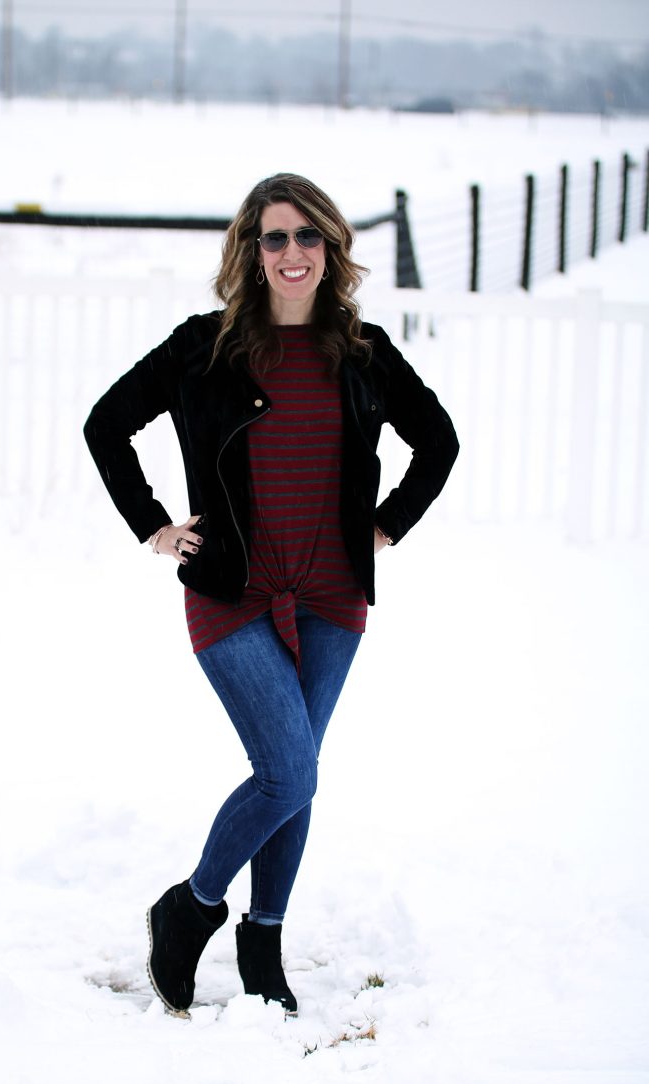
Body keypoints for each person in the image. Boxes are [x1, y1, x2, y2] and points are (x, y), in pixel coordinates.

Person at [83, 172, 458, 1018]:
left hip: (332, 597)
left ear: (331, 247)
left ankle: (264, 940)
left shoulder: (362, 351)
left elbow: (439, 441)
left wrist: (387, 526)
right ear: (252, 252)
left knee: (298, 775)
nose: (293, 252)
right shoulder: (202, 347)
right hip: (232, 592)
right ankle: (190, 908)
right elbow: (106, 424)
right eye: (276, 237)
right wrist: (154, 527)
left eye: (308, 235)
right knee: (287, 772)